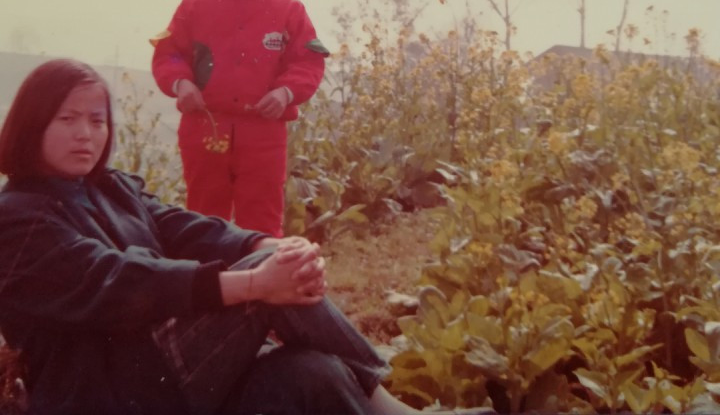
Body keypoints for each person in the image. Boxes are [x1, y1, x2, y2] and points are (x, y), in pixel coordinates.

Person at [0, 59, 484, 415]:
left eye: (97, 120)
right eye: (67, 119)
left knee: (313, 372)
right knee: (265, 277)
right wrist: (255, 281)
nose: (86, 134)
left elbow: (185, 227)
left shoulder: (111, 187)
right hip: (108, 394)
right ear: (33, 123)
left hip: (167, 375)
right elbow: (120, 280)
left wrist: (266, 245)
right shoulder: (16, 218)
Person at [150, 0, 328, 237]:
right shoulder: (194, 5)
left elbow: (307, 61)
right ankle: (207, 271)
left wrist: (285, 92)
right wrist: (180, 83)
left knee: (262, 217)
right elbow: (168, 54)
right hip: (204, 127)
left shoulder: (290, 9)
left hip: (265, 132)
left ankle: (261, 272)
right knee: (203, 216)